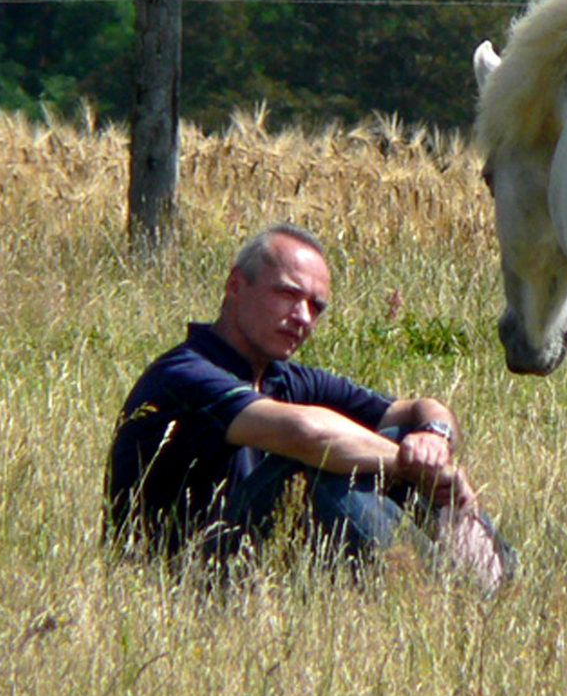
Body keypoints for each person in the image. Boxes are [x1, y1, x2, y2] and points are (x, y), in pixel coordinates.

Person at [106, 222, 514, 591]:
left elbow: (421, 408)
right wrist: (416, 466)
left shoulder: (285, 377)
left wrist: (434, 438)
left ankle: (489, 584)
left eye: (316, 306)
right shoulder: (184, 373)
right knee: (327, 460)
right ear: (234, 286)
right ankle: (405, 589)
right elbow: (307, 434)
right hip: (181, 576)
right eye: (287, 294)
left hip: (253, 558)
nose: (302, 316)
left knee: (400, 439)